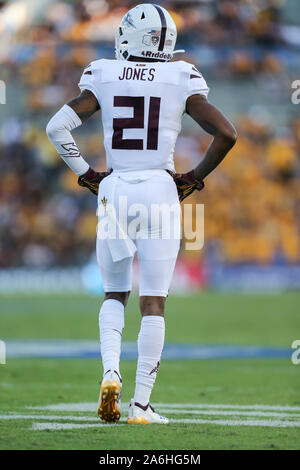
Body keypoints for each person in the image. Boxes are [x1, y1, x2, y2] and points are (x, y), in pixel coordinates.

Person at [46, 3, 237, 425]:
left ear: (129, 35)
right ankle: (141, 406)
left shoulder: (103, 72)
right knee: (154, 302)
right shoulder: (181, 74)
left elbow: (56, 127)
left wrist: (85, 175)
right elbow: (227, 133)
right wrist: (192, 179)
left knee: (114, 294)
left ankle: (110, 371)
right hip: (160, 189)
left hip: (116, 188)